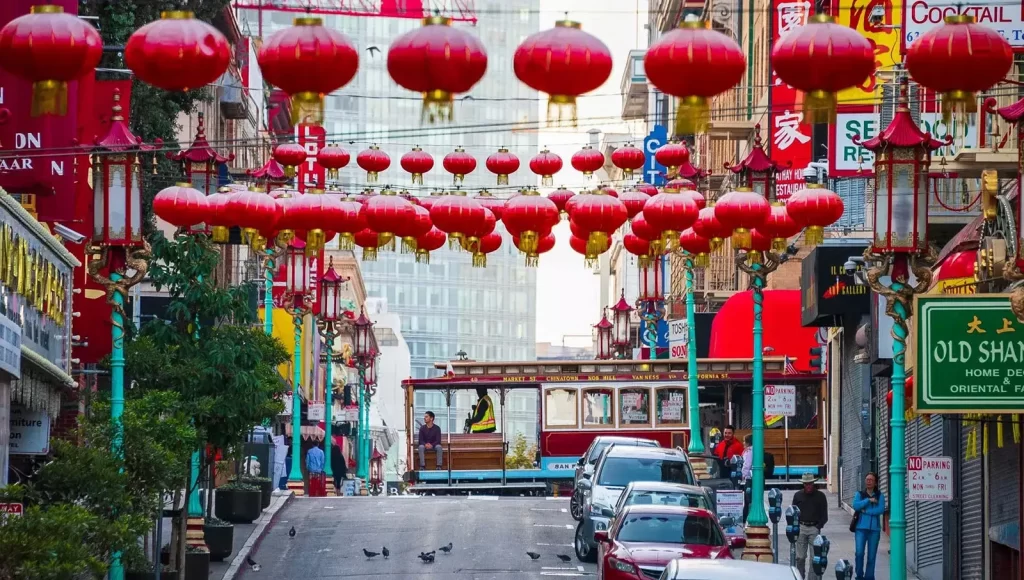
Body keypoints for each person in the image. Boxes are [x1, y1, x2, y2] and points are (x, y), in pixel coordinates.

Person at [792, 473, 829, 580]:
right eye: (806, 484)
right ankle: (800, 577)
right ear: (803, 484)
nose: (808, 486)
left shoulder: (820, 496)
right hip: (801, 526)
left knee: (815, 558)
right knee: (800, 557)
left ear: (813, 484)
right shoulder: (798, 495)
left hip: (814, 527)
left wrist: (818, 526)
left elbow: (824, 514)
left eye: (810, 484)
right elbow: (793, 511)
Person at [852, 472, 885, 580]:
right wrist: (868, 500)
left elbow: (880, 510)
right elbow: (856, 505)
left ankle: (869, 577)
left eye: (871, 480)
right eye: (867, 479)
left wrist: (865, 511)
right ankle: (859, 576)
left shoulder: (880, 495)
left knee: (871, 556)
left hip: (874, 530)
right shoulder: (860, 494)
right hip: (860, 529)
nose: (868, 481)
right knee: (859, 553)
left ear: (875, 483)